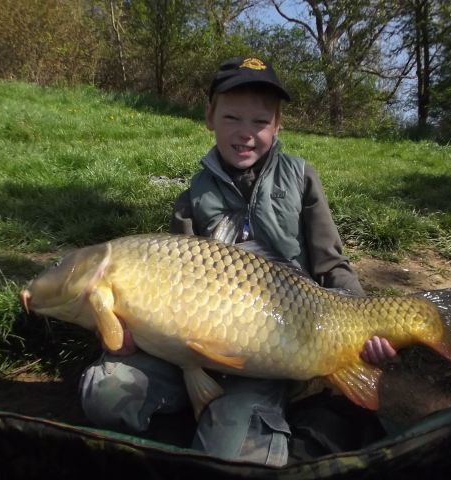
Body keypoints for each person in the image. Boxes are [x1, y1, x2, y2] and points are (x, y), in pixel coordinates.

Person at [79, 56, 396, 466]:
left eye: (260, 122)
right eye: (232, 118)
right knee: (103, 394)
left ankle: (272, 404)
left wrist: (360, 321)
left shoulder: (301, 178)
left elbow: (333, 265)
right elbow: (170, 286)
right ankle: (199, 416)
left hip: (279, 346)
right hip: (193, 354)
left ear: (278, 126)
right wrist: (135, 327)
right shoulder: (193, 196)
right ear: (209, 116)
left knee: (238, 462)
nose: (246, 134)